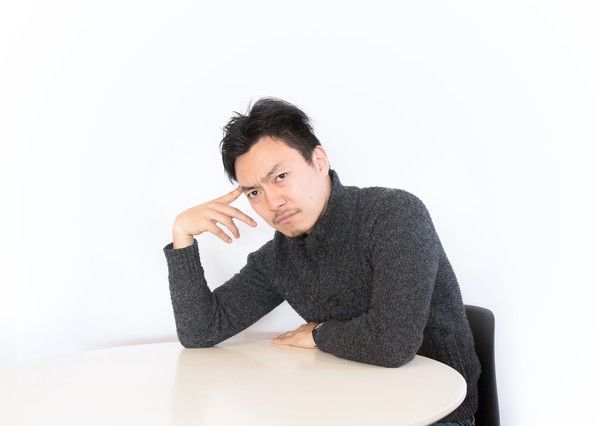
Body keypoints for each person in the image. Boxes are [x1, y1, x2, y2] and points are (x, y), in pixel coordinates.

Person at [163, 97, 480, 425]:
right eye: (254, 192)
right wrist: (182, 234)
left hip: (436, 413)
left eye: (280, 176)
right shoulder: (280, 257)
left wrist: (318, 334)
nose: (272, 202)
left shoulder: (394, 214)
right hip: (348, 409)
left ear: (319, 160)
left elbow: (393, 344)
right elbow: (201, 331)